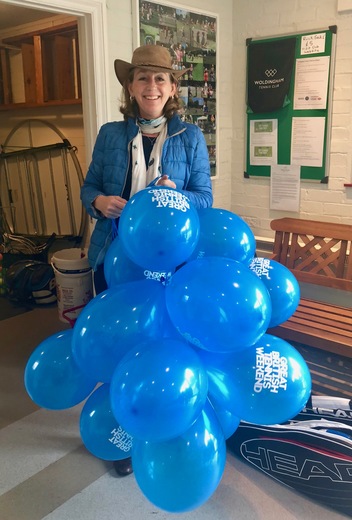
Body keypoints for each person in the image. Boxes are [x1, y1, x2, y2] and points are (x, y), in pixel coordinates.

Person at [80, 44, 213, 477]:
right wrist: (99, 201)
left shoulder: (189, 137)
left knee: (161, 345)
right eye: (142, 78)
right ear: (131, 86)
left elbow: (205, 201)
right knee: (115, 344)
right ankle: (118, 435)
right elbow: (89, 190)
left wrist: (178, 196)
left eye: (160, 78)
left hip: (168, 261)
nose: (151, 86)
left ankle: (160, 422)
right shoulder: (110, 134)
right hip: (113, 253)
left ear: (172, 87)